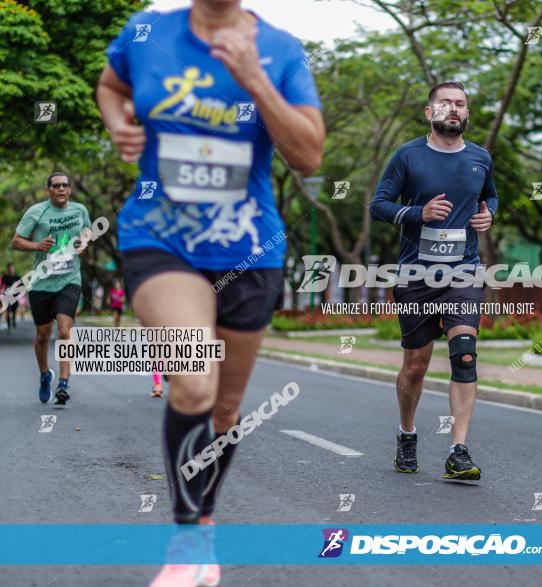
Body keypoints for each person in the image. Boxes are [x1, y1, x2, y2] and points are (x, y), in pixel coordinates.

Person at [97, 1, 324, 585]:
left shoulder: (281, 49)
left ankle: (203, 525)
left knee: (225, 408)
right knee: (193, 377)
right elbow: (110, 84)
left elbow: (309, 155)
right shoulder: (147, 31)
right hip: (159, 237)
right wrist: (118, 120)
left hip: (248, 249)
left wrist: (254, 80)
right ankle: (183, 541)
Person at [369, 81, 497, 481]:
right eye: (445, 104)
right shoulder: (407, 156)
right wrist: (416, 214)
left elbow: (490, 196)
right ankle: (407, 434)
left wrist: (489, 214)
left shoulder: (481, 157)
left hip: (464, 269)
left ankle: (458, 450)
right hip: (417, 274)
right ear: (429, 113)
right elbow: (378, 206)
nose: (453, 110)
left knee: (464, 352)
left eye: (460, 104)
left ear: (467, 114)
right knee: (416, 364)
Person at [11, 173, 92, 405]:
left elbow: (88, 232)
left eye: (65, 185)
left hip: (70, 279)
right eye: (56, 186)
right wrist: (37, 245)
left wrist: (84, 243)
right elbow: (16, 241)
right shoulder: (36, 212)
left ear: (70, 189)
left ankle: (64, 383)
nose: (61, 189)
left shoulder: (80, 210)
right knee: (43, 335)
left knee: (65, 330)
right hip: (41, 282)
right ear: (48, 189)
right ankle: (45, 375)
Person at [2, 263, 20, 333]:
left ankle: (14, 321)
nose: (10, 270)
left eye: (11, 268)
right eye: (9, 269)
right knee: (8, 311)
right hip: (7, 297)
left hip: (15, 297)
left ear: (13, 268)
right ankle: (9, 326)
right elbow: (2, 286)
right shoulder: (5, 277)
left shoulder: (17, 277)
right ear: (8, 269)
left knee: (14, 311)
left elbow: (22, 287)